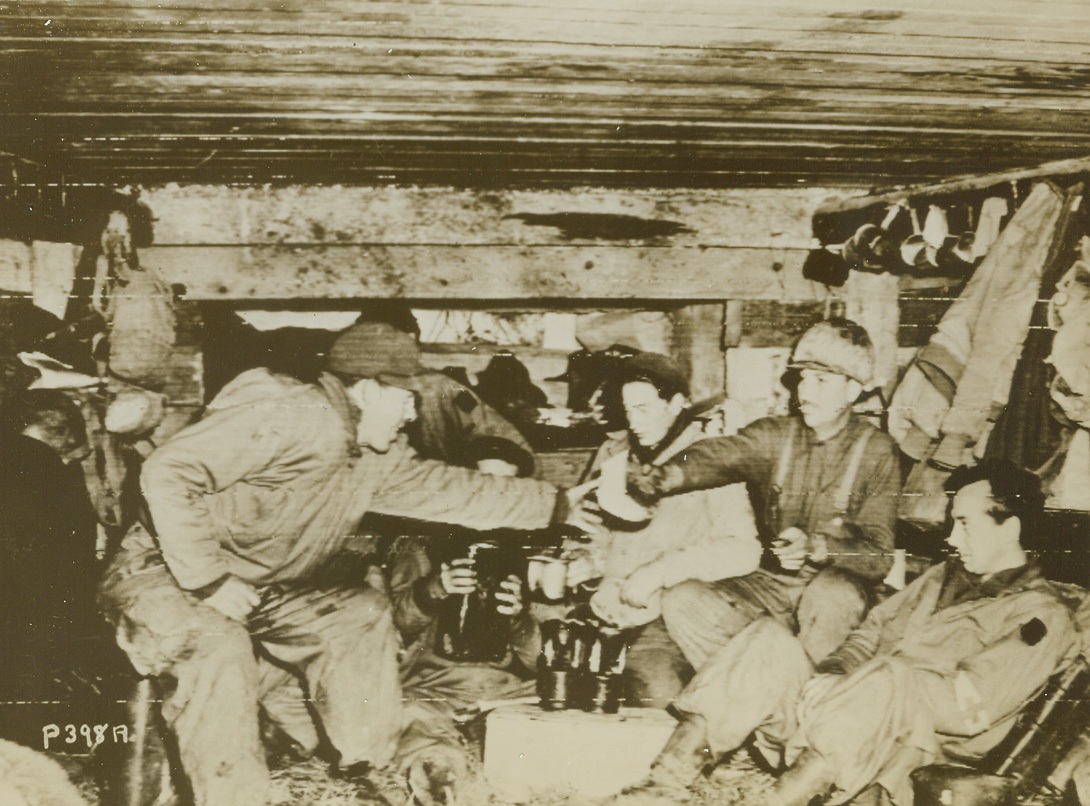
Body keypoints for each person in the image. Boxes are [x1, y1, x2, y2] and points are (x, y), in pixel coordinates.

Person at [98, 341, 579, 805]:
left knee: (359, 612)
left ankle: (369, 768)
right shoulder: (294, 415)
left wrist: (558, 503)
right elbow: (167, 470)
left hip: (262, 584)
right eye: (406, 400)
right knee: (218, 647)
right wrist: (209, 581)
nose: (413, 415)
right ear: (366, 390)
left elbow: (450, 488)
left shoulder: (376, 456)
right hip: (164, 571)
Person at [617, 459, 1079, 806]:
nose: (952, 539)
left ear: (1010, 526)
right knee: (768, 641)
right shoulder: (943, 579)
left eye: (964, 524)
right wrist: (837, 673)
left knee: (890, 677)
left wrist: (878, 682)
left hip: (903, 756)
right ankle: (663, 784)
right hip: (842, 723)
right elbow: (870, 631)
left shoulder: (1040, 615)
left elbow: (969, 710)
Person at [629, 318, 900, 667]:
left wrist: (819, 548)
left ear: (852, 391)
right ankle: (759, 687)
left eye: (821, 380)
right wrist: (665, 475)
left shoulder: (876, 450)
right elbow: (722, 453)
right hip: (772, 586)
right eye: (802, 378)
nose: (806, 391)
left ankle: (802, 699)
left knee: (830, 595)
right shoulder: (777, 435)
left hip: (840, 594)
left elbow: (879, 557)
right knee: (682, 599)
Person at [567, 351, 761, 707]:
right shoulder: (615, 453)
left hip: (662, 619)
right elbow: (593, 533)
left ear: (676, 403)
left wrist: (659, 572)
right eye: (627, 410)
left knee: (653, 692)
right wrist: (587, 564)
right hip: (607, 609)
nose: (633, 421)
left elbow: (743, 547)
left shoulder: (708, 460)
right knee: (550, 667)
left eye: (644, 409)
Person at [385, 452, 541, 806]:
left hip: (504, 691)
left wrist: (519, 620)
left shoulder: (521, 553)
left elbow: (541, 660)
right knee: (414, 720)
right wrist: (433, 590)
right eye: (483, 482)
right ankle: (441, 783)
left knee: (560, 712)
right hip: (434, 687)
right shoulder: (420, 547)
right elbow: (390, 627)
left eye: (506, 488)